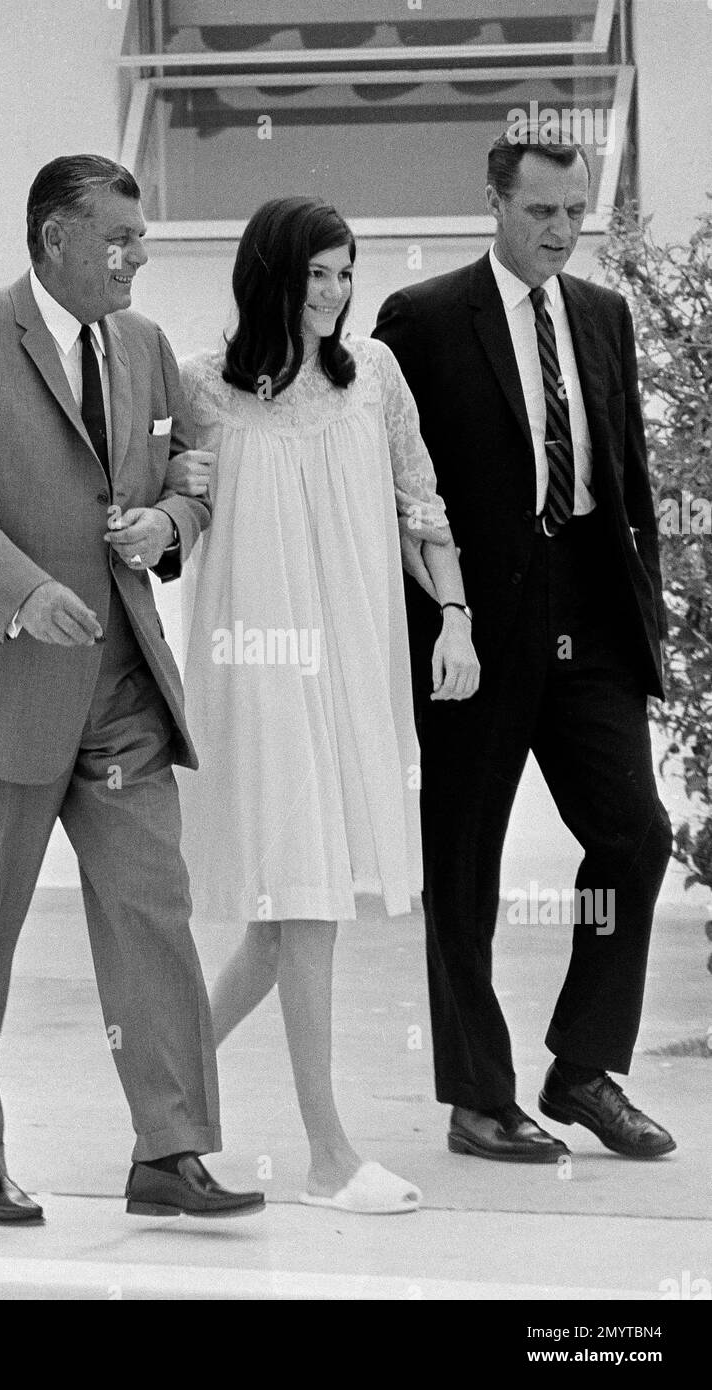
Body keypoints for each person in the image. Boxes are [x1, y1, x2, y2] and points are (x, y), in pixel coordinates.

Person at [0, 154, 264, 1223]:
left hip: (122, 691)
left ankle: (171, 1150)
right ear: (55, 239)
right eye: (121, 239)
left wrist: (167, 526)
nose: (138, 256)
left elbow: (191, 471)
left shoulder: (144, 346)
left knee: (155, 908)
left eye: (141, 239)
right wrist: (21, 593)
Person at [372, 128, 675, 1162]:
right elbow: (399, 491)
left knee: (633, 833)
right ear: (492, 203)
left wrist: (646, 629)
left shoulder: (601, 313)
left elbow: (625, 472)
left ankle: (583, 1067)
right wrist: (429, 620)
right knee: (462, 866)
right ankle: (476, 1096)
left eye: (573, 210)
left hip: (586, 612)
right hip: (472, 626)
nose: (560, 230)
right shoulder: (418, 319)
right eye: (540, 210)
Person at [173, 196, 479, 1214]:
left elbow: (418, 500)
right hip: (256, 668)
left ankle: (158, 1102)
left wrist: (454, 616)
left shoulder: (372, 378)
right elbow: (179, 517)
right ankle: (325, 1153)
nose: (336, 294)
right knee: (303, 908)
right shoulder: (203, 390)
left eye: (345, 273)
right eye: (317, 275)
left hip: (351, 659)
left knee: (282, 921)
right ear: (272, 277)